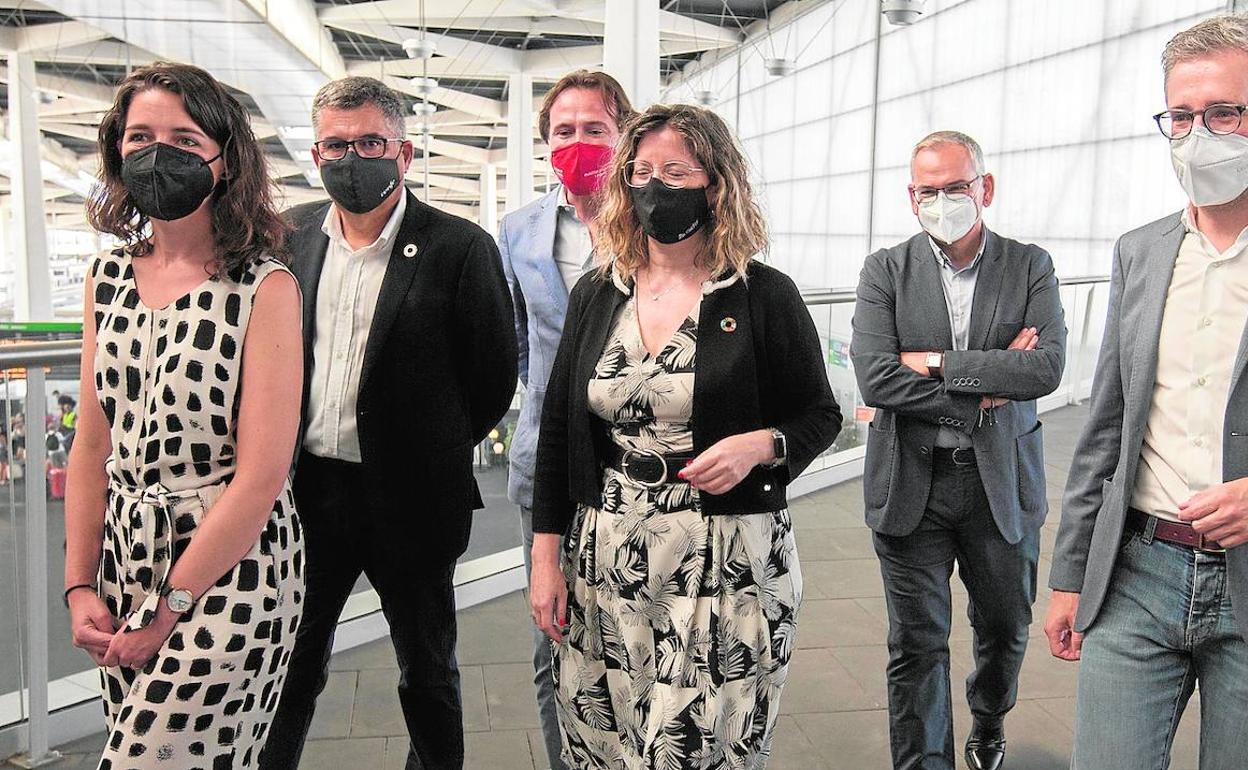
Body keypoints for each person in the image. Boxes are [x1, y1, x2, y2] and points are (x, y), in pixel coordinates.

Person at [529, 103, 842, 769]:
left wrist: (761, 446)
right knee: (603, 743)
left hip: (723, 559)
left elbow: (820, 414)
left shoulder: (762, 295)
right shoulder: (598, 293)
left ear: (715, 183)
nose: (655, 189)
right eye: (641, 173)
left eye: (676, 172)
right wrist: (543, 561)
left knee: (693, 748)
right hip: (605, 554)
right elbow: (561, 429)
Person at [261, 76, 518, 770]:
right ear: (316, 154)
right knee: (289, 664)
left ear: (403, 154)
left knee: (427, 671)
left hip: (412, 498)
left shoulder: (459, 248)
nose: (354, 158)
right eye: (338, 145)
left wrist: (427, 446)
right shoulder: (290, 239)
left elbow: (494, 375)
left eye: (371, 142)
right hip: (310, 495)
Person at [63, 62, 305, 768]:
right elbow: (90, 445)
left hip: (231, 570)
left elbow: (261, 476)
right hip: (125, 556)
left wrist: (167, 608)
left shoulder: (265, 285)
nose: (157, 154)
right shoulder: (107, 277)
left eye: (182, 136)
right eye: (139, 137)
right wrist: (81, 584)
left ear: (223, 158)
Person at [1044, 15, 1248, 768]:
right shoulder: (1142, 250)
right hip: (1138, 570)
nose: (1200, 135)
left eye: (1225, 112)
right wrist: (1070, 577)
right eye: (1182, 117)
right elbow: (1106, 430)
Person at [851, 131, 1066, 770]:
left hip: (999, 485)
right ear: (910, 197)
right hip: (910, 485)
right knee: (917, 644)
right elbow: (876, 378)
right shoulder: (885, 270)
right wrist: (983, 388)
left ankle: (990, 719)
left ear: (985, 189)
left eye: (956, 188)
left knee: (1005, 631)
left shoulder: (1030, 266)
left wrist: (938, 363)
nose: (942, 201)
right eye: (928, 191)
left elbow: (1044, 370)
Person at [496, 68, 633, 770]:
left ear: (625, 135)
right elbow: (518, 341)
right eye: (563, 131)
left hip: (641, 465)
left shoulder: (654, 221)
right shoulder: (517, 230)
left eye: (595, 130)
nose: (577, 143)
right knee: (554, 631)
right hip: (547, 457)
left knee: (637, 632)